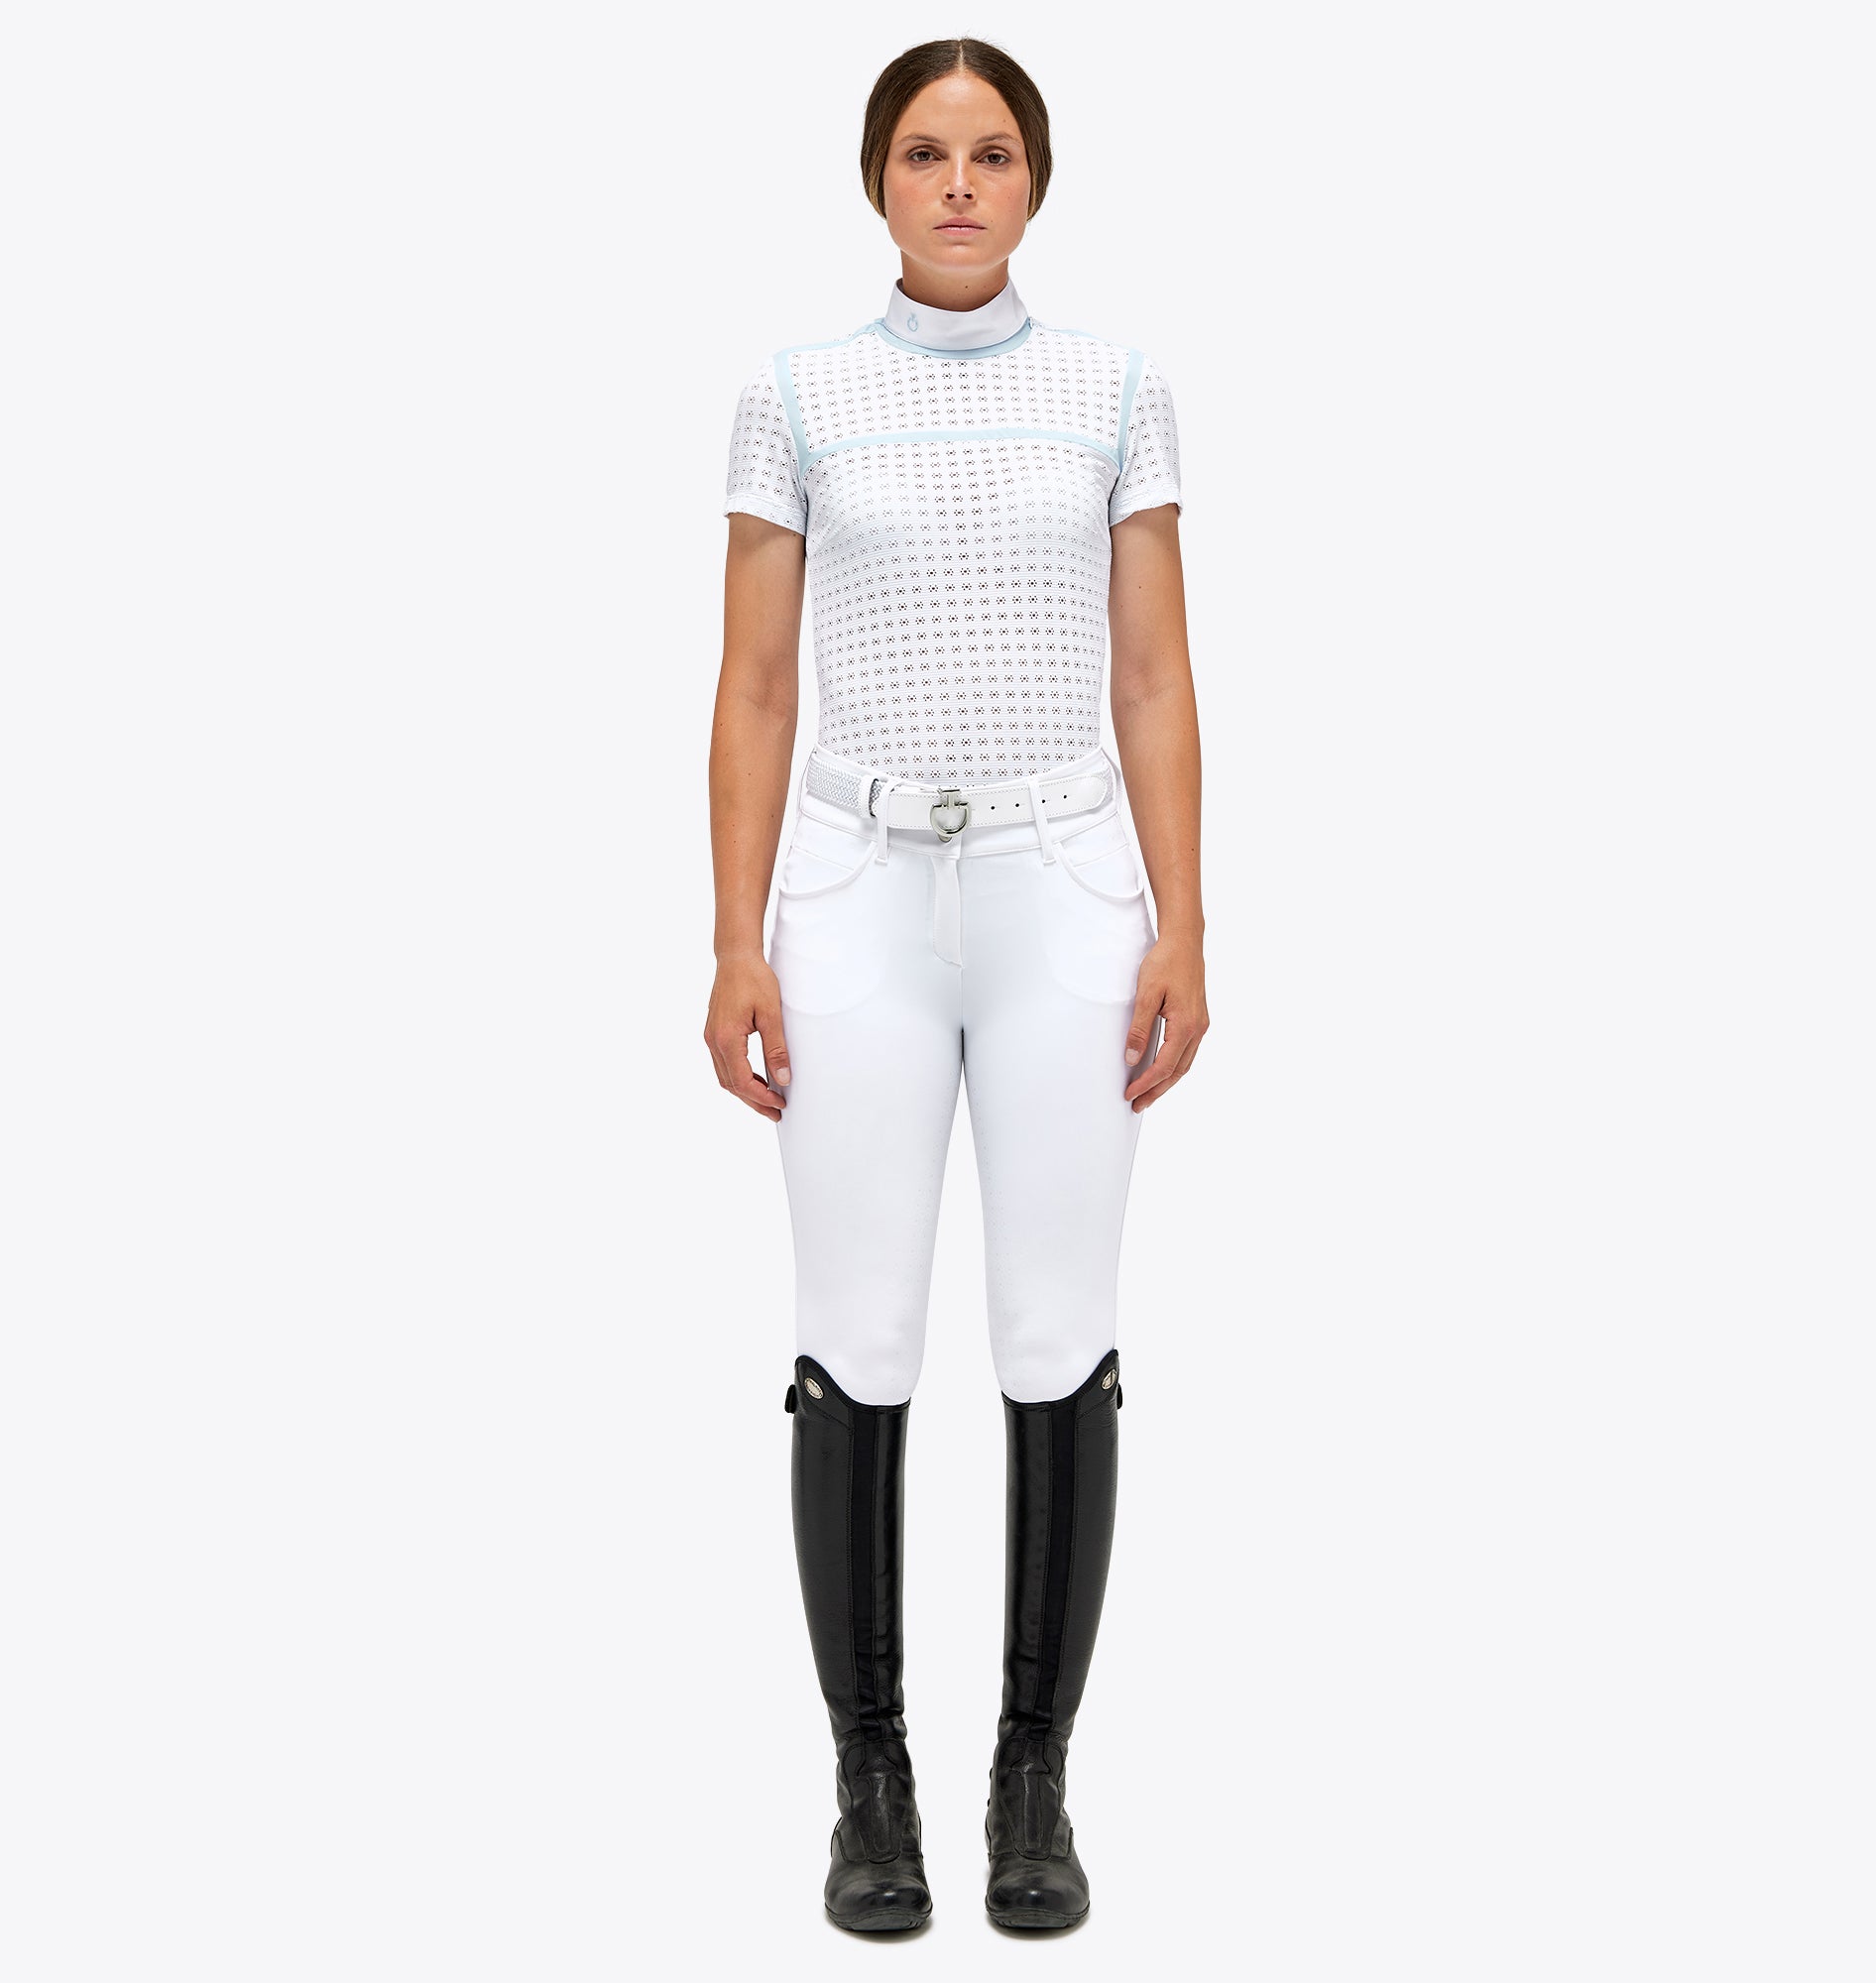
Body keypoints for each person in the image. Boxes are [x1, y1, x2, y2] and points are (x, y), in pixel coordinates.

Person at [704, 36, 1208, 1933]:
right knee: (861, 1330)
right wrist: (735, 935)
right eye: (926, 153)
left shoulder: (1119, 391)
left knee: (1056, 1331)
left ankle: (1032, 1780)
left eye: (993, 154)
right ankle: (871, 1781)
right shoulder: (794, 397)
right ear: (877, 180)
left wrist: (1185, 921)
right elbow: (756, 686)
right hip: (854, 892)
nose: (961, 186)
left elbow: (1152, 675)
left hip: (1061, 885)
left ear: (1036, 180)